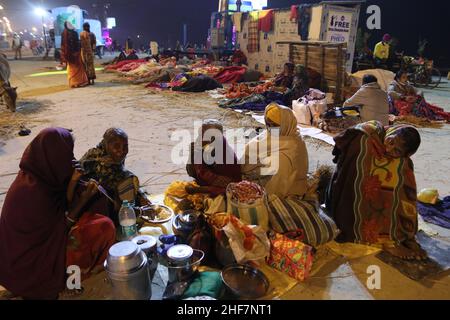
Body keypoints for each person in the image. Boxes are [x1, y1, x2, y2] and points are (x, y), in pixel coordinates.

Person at [0, 128, 116, 299]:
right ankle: (71, 282)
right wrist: (83, 199)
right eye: (67, 153)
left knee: (97, 205)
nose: (71, 158)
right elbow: (62, 226)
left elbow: (61, 206)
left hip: (29, 255)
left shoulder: (38, 176)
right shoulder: (32, 193)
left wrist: (74, 180)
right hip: (28, 268)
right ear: (54, 155)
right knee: (100, 228)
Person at [326, 120, 427, 260]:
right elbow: (351, 167)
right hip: (347, 190)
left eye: (397, 150)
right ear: (391, 131)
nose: (389, 149)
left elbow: (397, 157)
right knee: (384, 179)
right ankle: (386, 239)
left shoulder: (400, 155)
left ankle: (404, 233)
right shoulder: (365, 135)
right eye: (391, 142)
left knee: (403, 167)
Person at [79, 128, 151, 225]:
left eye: (125, 146)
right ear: (106, 145)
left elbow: (118, 174)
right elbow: (106, 189)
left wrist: (141, 195)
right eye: (116, 146)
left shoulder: (113, 156)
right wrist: (134, 210)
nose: (122, 151)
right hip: (95, 204)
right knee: (128, 182)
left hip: (111, 195)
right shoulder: (95, 160)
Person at [241, 103, 309, 199]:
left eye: (274, 125)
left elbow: (277, 188)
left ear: (285, 124)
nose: (269, 128)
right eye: (268, 124)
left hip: (283, 187)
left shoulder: (289, 150)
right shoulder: (278, 132)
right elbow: (254, 147)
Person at [186, 119, 241, 197]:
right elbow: (191, 173)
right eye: (199, 135)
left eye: (202, 136)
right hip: (202, 186)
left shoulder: (228, 158)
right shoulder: (204, 148)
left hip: (220, 195)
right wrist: (191, 155)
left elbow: (232, 188)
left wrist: (199, 190)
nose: (198, 139)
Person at [61, 21, 89, 88]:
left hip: (68, 54)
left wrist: (64, 55)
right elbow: (77, 43)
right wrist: (78, 51)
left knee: (71, 68)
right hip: (75, 53)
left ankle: (73, 83)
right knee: (78, 67)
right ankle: (79, 82)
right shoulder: (74, 33)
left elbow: (62, 45)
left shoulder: (63, 33)